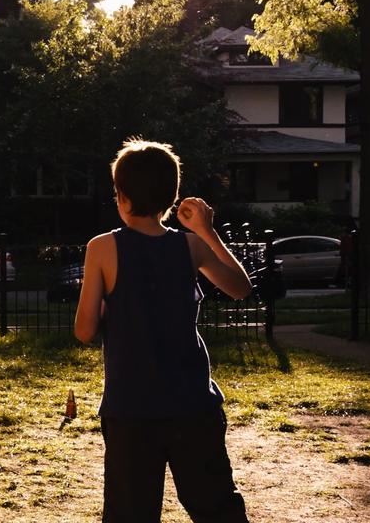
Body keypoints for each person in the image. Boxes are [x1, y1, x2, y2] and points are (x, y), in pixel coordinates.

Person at [74, 140, 251, 522]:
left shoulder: (102, 248)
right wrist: (206, 231)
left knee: (130, 513)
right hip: (194, 406)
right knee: (218, 508)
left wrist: (111, 306)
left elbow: (85, 330)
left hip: (131, 409)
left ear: (121, 196)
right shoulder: (191, 246)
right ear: (172, 198)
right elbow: (241, 287)